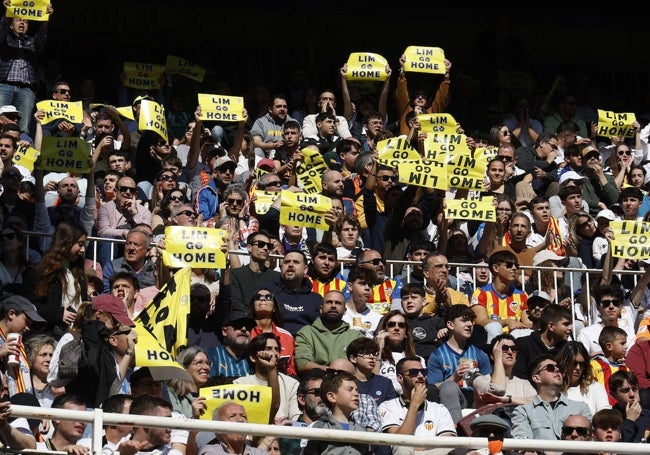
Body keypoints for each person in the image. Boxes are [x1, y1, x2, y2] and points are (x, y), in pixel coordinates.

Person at [22, 220, 88, 339]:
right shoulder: (41, 271)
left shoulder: (78, 271)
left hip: (77, 336)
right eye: (80, 244)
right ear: (66, 242)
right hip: (49, 337)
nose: (83, 250)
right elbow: (28, 304)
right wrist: (58, 314)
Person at [426, 304, 492, 423]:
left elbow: (489, 383)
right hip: (449, 401)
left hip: (476, 401)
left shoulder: (480, 354)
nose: (470, 324)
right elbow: (432, 389)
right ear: (450, 325)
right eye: (464, 320)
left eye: (471, 321)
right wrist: (454, 377)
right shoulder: (437, 355)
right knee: (449, 386)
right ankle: (455, 431)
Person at [378, 356, 456, 454]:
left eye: (423, 372)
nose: (420, 376)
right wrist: (414, 405)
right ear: (400, 378)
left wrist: (416, 450)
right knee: (402, 447)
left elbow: (447, 442)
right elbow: (398, 441)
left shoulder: (439, 409)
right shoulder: (388, 407)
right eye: (414, 372)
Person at [510, 354, 592, 440]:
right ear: (536, 378)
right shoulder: (523, 412)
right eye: (550, 368)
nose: (556, 370)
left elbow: (588, 440)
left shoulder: (581, 408)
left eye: (558, 367)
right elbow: (524, 443)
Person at [0, 2, 53, 134]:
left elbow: (41, 38)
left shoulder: (32, 43)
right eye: (18, 20)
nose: (22, 23)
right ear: (12, 25)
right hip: (4, 86)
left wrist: (46, 18)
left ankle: (21, 152)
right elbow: (2, 30)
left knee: (23, 126)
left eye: (25, 21)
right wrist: (6, 14)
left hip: (26, 89)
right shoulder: (5, 39)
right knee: (0, 121)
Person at [233, 332, 299, 423]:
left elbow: (297, 420)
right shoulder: (239, 384)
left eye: (277, 349)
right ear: (253, 357)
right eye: (268, 349)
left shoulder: (291, 384)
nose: (275, 353)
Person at [294, 290, 363, 374]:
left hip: (347, 380)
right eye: (329, 302)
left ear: (345, 310)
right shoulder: (307, 333)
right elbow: (302, 364)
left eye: (338, 303)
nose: (333, 306)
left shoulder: (355, 336)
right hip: (318, 380)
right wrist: (330, 371)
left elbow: (363, 365)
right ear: (321, 309)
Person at [303, 368, 370, 455]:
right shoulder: (320, 427)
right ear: (332, 397)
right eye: (349, 389)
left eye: (356, 390)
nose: (356, 393)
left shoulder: (362, 430)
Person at [470, 249, 531, 343]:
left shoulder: (522, 295)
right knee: (494, 327)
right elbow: (480, 322)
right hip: (490, 339)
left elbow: (527, 323)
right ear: (495, 268)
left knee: (525, 332)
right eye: (509, 265)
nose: (514, 268)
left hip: (515, 339)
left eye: (516, 265)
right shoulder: (481, 293)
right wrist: (507, 322)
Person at [472, 334, 536, 409]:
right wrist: (498, 359)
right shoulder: (480, 380)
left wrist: (507, 399)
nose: (510, 352)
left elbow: (536, 403)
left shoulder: (524, 384)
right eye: (504, 348)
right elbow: (498, 389)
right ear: (493, 356)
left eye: (513, 349)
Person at [269, 249, 323, 336]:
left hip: (306, 344)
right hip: (276, 342)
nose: (290, 265)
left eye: (296, 262)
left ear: (305, 269)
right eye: (286, 262)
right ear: (281, 267)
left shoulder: (316, 299)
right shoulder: (270, 293)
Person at [246, 287, 296, 376]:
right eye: (258, 297)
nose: (263, 299)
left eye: (268, 297)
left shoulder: (286, 336)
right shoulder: (246, 333)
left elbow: (291, 369)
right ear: (253, 306)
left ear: (274, 308)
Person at [513, 305, 573, 379]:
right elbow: (519, 376)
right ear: (551, 326)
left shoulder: (568, 349)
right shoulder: (523, 344)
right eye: (566, 324)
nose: (571, 328)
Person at [229, 231, 280, 315]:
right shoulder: (236, 274)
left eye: (269, 246)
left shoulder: (276, 277)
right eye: (261, 244)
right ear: (249, 247)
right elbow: (236, 303)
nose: (266, 248)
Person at [375, 310, 425, 395]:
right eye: (391, 325)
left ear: (406, 333)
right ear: (384, 330)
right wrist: (379, 347)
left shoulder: (418, 360)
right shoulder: (375, 356)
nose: (397, 328)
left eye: (401, 325)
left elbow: (420, 385)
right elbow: (372, 380)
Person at [577, 284, 635, 357]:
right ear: (598, 307)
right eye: (606, 303)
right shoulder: (587, 333)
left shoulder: (629, 335)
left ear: (621, 306)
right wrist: (596, 356)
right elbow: (580, 358)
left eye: (616, 303)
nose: (611, 306)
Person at [555, 341, 611, 414]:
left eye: (582, 364)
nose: (578, 368)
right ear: (564, 363)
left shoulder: (595, 387)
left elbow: (606, 415)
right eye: (574, 363)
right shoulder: (553, 389)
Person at [198, 402, 267, 455]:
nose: (240, 420)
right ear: (218, 428)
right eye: (232, 416)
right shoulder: (209, 451)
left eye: (243, 416)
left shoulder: (259, 452)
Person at [205, 311, 253, 382]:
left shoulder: (253, 358)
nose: (244, 329)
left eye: (248, 326)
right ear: (224, 331)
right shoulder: (211, 354)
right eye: (238, 325)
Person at [589, 326, 628, 405]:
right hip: (601, 409)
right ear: (609, 346)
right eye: (622, 343)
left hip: (622, 409)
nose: (626, 347)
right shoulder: (594, 365)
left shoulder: (625, 368)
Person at [167, 346, 209, 420]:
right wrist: (194, 417)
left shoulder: (212, 394)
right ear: (184, 367)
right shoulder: (172, 394)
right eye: (199, 363)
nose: (206, 367)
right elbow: (175, 428)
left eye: (207, 363)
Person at [608, 370, 650, 442]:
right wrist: (630, 420)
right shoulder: (608, 419)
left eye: (634, 389)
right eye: (625, 390)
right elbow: (617, 448)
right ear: (613, 395)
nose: (632, 394)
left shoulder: (648, 416)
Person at [343, 266, 383, 338]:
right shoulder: (340, 314)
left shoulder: (378, 319)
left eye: (370, 285)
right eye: (362, 283)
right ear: (350, 286)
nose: (367, 288)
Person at [24, 333, 59, 407]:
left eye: (51, 355)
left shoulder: (59, 387)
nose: (48, 359)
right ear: (31, 358)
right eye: (43, 355)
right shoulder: (22, 384)